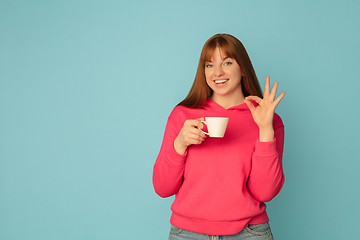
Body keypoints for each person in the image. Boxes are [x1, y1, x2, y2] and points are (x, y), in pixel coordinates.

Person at [153, 33, 285, 240]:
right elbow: (162, 188)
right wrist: (179, 144)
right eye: (209, 65)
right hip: (187, 234)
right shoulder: (182, 115)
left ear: (243, 68)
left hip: (249, 233)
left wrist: (265, 130)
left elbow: (265, 193)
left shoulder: (267, 119)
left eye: (227, 62)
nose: (217, 72)